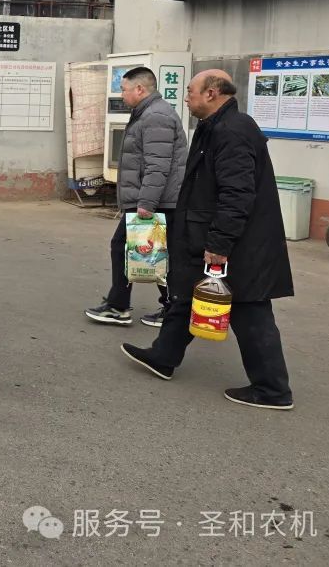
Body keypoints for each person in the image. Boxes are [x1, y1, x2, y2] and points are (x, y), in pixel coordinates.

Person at [121, 70, 295, 410]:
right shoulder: (214, 126)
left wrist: (219, 243)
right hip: (209, 234)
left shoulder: (233, 131)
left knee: (250, 310)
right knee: (187, 295)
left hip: (238, 244)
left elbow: (236, 194)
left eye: (191, 91)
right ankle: (163, 356)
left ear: (212, 93)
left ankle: (272, 389)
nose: (186, 98)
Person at [86, 67, 187, 328]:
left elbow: (158, 165)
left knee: (130, 247)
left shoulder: (155, 116)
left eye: (124, 89)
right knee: (153, 252)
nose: (122, 95)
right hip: (152, 198)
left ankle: (122, 306)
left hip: (154, 200)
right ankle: (166, 307)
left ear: (140, 89)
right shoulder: (148, 113)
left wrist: (146, 203)